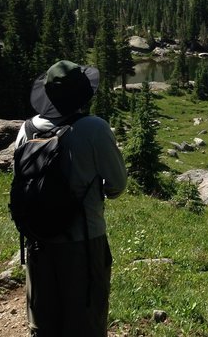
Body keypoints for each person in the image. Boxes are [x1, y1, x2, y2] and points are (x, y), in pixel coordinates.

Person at [15, 60, 127, 337]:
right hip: (84, 242)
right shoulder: (94, 128)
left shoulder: (27, 129)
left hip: (37, 242)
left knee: (44, 323)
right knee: (86, 321)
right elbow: (117, 185)